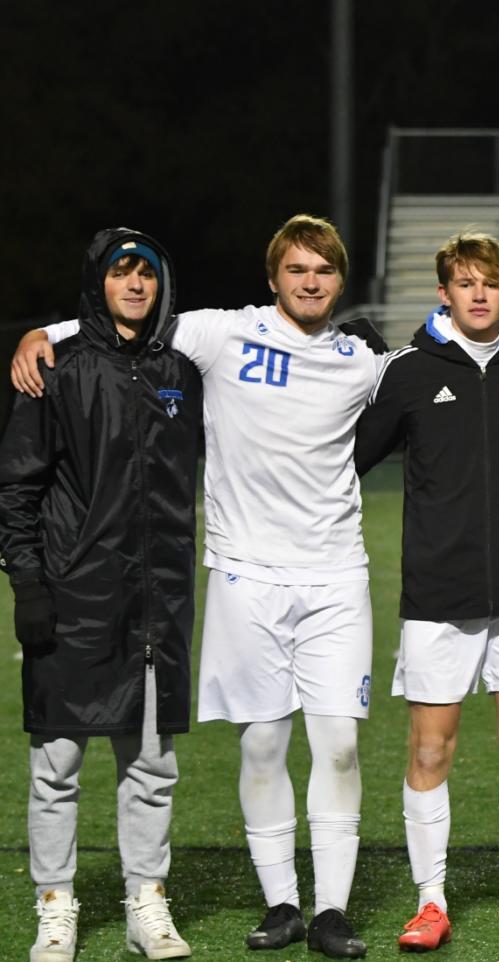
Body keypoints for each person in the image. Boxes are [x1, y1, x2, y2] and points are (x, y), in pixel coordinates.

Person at [12, 214, 386, 959]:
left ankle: (172, 904)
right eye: (295, 269)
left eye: (323, 271)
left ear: (340, 281)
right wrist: (36, 335)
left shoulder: (348, 360)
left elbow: (435, 364)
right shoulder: (212, 337)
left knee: (174, 761)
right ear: (272, 277)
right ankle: (65, 905)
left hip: (233, 589)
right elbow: (23, 476)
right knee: (72, 762)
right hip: (176, 582)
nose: (309, 282)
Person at [353, 231, 499, 951]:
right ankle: (429, 901)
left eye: (490, 283)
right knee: (429, 753)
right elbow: (350, 454)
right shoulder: (411, 372)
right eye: (464, 282)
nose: (477, 294)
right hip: (437, 593)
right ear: (443, 291)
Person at [1, 229, 199, 962]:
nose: (135, 284)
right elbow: (17, 487)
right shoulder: (55, 369)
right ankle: (55, 906)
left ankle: (146, 902)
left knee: (151, 763)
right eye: (121, 272)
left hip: (158, 601)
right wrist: (27, 582)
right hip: (73, 594)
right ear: (99, 282)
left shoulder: (181, 367)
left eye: (146, 273)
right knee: (57, 766)